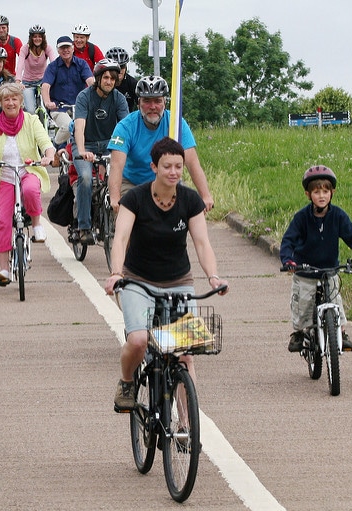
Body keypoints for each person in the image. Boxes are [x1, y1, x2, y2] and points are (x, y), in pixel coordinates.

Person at [104, 136, 229, 411]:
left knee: (185, 355)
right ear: (153, 167)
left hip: (178, 282)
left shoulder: (190, 200)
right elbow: (121, 238)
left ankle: (186, 426)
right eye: (167, 166)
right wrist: (116, 273)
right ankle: (127, 381)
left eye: (178, 167)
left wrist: (213, 276)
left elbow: (201, 243)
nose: (173, 172)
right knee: (138, 340)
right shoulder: (135, 198)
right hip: (138, 281)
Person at [280, 165, 352, 353]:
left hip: (329, 272)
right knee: (302, 305)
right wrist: (288, 261)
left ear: (332, 192)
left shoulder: (338, 216)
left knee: (336, 303)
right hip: (305, 272)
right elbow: (288, 240)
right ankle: (298, 333)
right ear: (308, 194)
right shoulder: (302, 218)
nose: (321, 196)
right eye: (316, 192)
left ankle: (341, 332)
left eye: (325, 191)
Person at [0, 83, 56, 287]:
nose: (10, 102)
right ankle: (4, 268)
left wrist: (48, 155)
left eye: (14, 99)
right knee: (2, 221)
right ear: (1, 103)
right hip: (3, 174)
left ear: (21, 101)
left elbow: (45, 142)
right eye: (6, 99)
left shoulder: (31, 120)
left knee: (31, 189)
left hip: (27, 169)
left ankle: (37, 224)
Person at [107, 75, 214, 213]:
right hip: (133, 183)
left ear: (164, 102)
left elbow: (192, 163)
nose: (153, 107)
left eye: (157, 101)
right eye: (147, 101)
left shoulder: (177, 123)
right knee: (127, 223)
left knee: (183, 218)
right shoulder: (126, 126)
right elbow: (116, 165)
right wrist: (115, 199)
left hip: (167, 182)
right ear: (138, 103)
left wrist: (205, 195)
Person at [72, 58, 129, 245]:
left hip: (109, 145)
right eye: (105, 77)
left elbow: (125, 128)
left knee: (119, 180)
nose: (109, 82)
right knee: (87, 178)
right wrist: (81, 151)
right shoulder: (84, 97)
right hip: (85, 144)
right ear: (97, 78)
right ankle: (84, 227)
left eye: (113, 78)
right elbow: (79, 127)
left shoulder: (119, 99)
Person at [41, 36, 94, 147]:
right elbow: (45, 86)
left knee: (91, 127)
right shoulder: (52, 67)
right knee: (68, 126)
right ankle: (55, 147)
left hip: (79, 106)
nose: (65, 50)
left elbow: (90, 81)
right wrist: (47, 102)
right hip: (59, 107)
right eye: (62, 48)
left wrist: (96, 97)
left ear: (73, 48)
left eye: (68, 47)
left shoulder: (82, 64)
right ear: (58, 50)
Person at [15, 25, 56, 115]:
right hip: (28, 83)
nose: (37, 39)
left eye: (39, 36)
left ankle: (50, 122)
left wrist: (56, 78)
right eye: (35, 36)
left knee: (49, 105)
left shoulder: (47, 48)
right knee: (30, 110)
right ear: (31, 38)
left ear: (43, 38)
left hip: (43, 81)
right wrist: (18, 81)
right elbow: (20, 65)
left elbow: (54, 64)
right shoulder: (25, 49)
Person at [105, 47, 138, 112]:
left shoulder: (133, 83)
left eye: (122, 66)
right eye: (115, 67)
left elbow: (141, 106)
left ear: (126, 67)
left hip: (127, 119)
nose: (119, 70)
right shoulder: (103, 83)